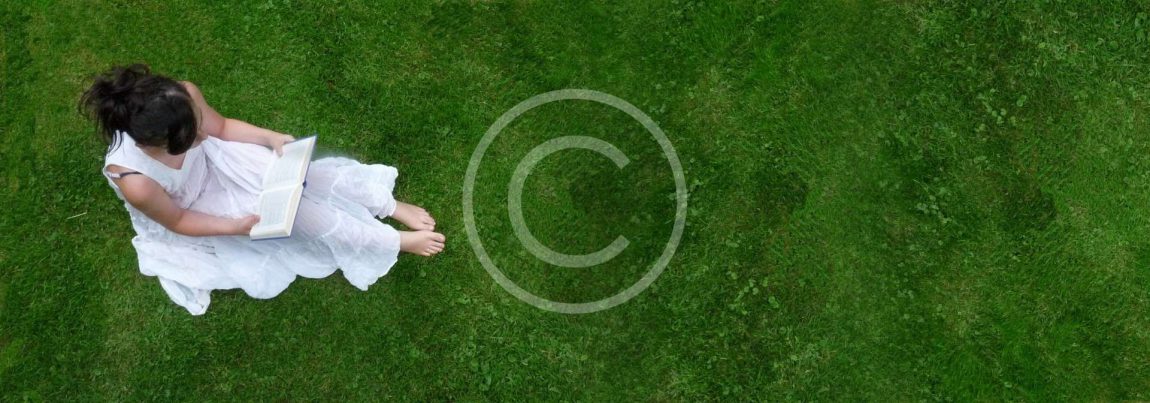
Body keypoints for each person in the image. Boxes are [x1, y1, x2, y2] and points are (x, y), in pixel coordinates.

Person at [80, 64, 445, 315]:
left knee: (306, 177)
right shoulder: (137, 183)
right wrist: (235, 227)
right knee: (300, 216)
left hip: (221, 162)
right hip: (199, 202)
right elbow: (178, 219)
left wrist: (269, 138)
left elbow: (220, 130)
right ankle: (390, 242)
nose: (201, 135)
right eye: (192, 137)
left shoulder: (181, 96)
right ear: (153, 147)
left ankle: (386, 203)